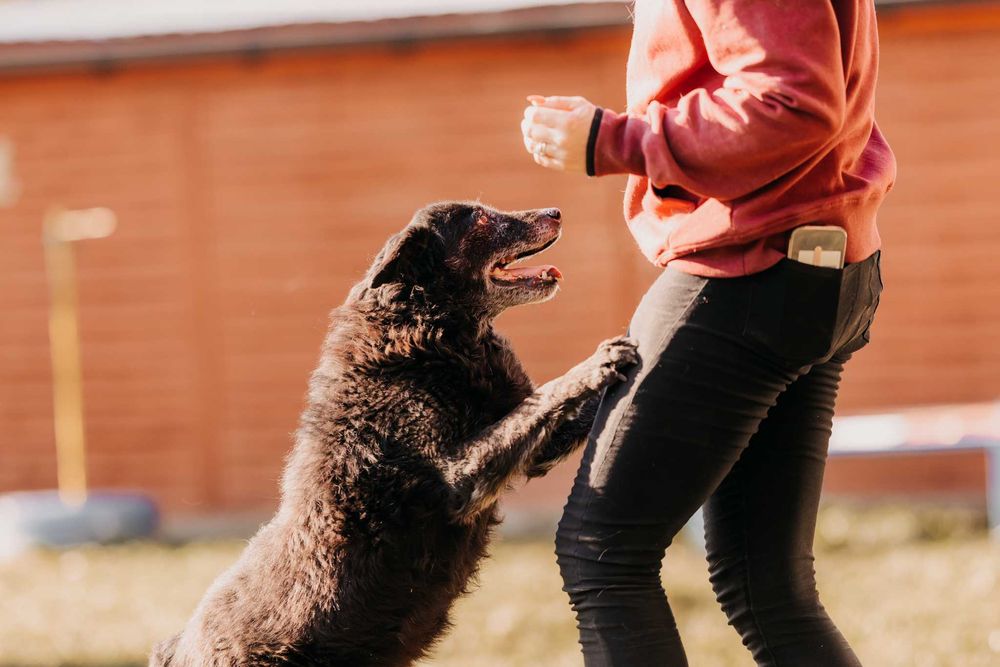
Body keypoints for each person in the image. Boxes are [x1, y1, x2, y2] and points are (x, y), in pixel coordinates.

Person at [519, 1, 895, 665]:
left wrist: (614, 141)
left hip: (748, 271)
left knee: (603, 555)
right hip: (818, 267)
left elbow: (795, 103)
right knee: (767, 585)